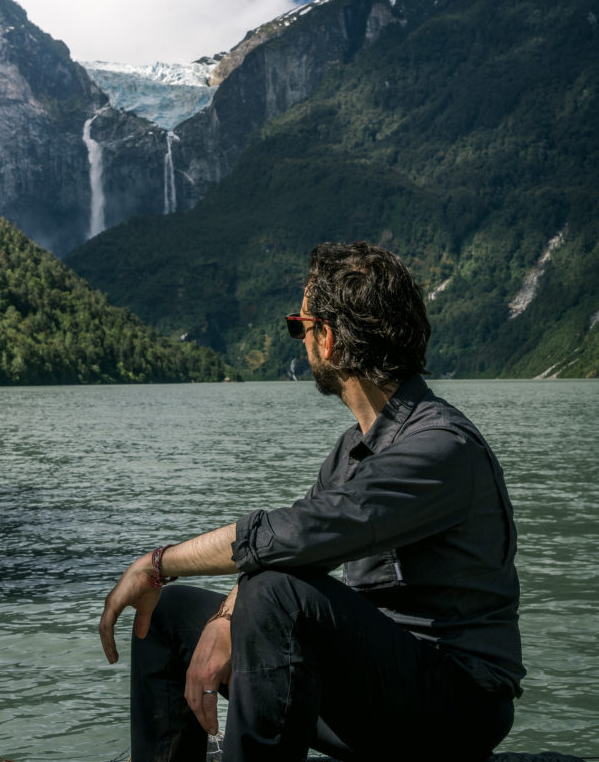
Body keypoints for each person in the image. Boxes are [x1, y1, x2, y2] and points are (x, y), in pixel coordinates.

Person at [99, 241, 525, 762]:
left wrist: (158, 562)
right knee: (168, 613)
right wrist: (222, 619)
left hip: (457, 706)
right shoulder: (355, 447)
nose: (299, 339)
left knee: (276, 595)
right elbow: (294, 548)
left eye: (298, 326)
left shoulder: (441, 448)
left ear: (329, 340)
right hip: (377, 691)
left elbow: (297, 535)